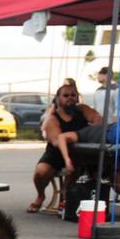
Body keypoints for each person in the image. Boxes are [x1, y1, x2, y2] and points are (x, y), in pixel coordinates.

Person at [30, 83, 102, 212]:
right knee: (40, 172)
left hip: (83, 152)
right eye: (66, 95)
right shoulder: (52, 119)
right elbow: (58, 141)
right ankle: (40, 196)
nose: (70, 98)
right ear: (58, 99)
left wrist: (93, 129)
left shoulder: (82, 109)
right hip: (58, 153)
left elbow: (98, 118)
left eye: (73, 95)